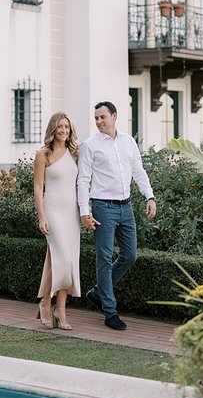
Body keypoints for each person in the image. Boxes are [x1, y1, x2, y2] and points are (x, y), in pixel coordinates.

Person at [76, 101, 156, 331]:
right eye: (96, 118)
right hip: (103, 207)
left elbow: (139, 171)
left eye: (103, 117)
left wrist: (149, 197)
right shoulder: (90, 146)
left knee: (130, 255)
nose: (99, 121)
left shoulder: (128, 142)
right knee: (103, 258)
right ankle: (110, 311)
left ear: (114, 116)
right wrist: (84, 211)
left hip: (126, 207)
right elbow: (83, 179)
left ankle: (99, 292)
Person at [32, 112, 81, 330]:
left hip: (72, 213)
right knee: (62, 260)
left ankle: (59, 309)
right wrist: (42, 216)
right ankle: (45, 304)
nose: (63, 130)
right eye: (60, 127)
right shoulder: (43, 154)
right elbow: (37, 187)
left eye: (67, 127)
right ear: (53, 129)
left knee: (65, 261)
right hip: (53, 211)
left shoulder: (75, 153)